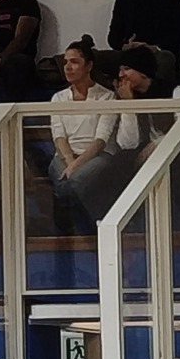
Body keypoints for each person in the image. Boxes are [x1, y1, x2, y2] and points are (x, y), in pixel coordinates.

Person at [68, 47, 180, 222]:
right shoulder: (128, 95)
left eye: (126, 69)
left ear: (143, 72)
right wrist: (128, 104)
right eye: (120, 70)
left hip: (175, 151)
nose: (121, 75)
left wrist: (157, 145)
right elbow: (128, 143)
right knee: (116, 166)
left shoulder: (175, 91)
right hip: (142, 153)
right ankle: (109, 221)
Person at [46, 37, 116, 231]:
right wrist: (70, 161)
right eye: (65, 62)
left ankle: (66, 231)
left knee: (68, 185)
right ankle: (93, 228)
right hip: (65, 155)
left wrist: (76, 166)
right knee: (68, 180)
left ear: (89, 65)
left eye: (74, 62)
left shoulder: (106, 96)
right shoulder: (58, 98)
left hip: (97, 155)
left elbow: (101, 140)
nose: (68, 67)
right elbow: (58, 135)